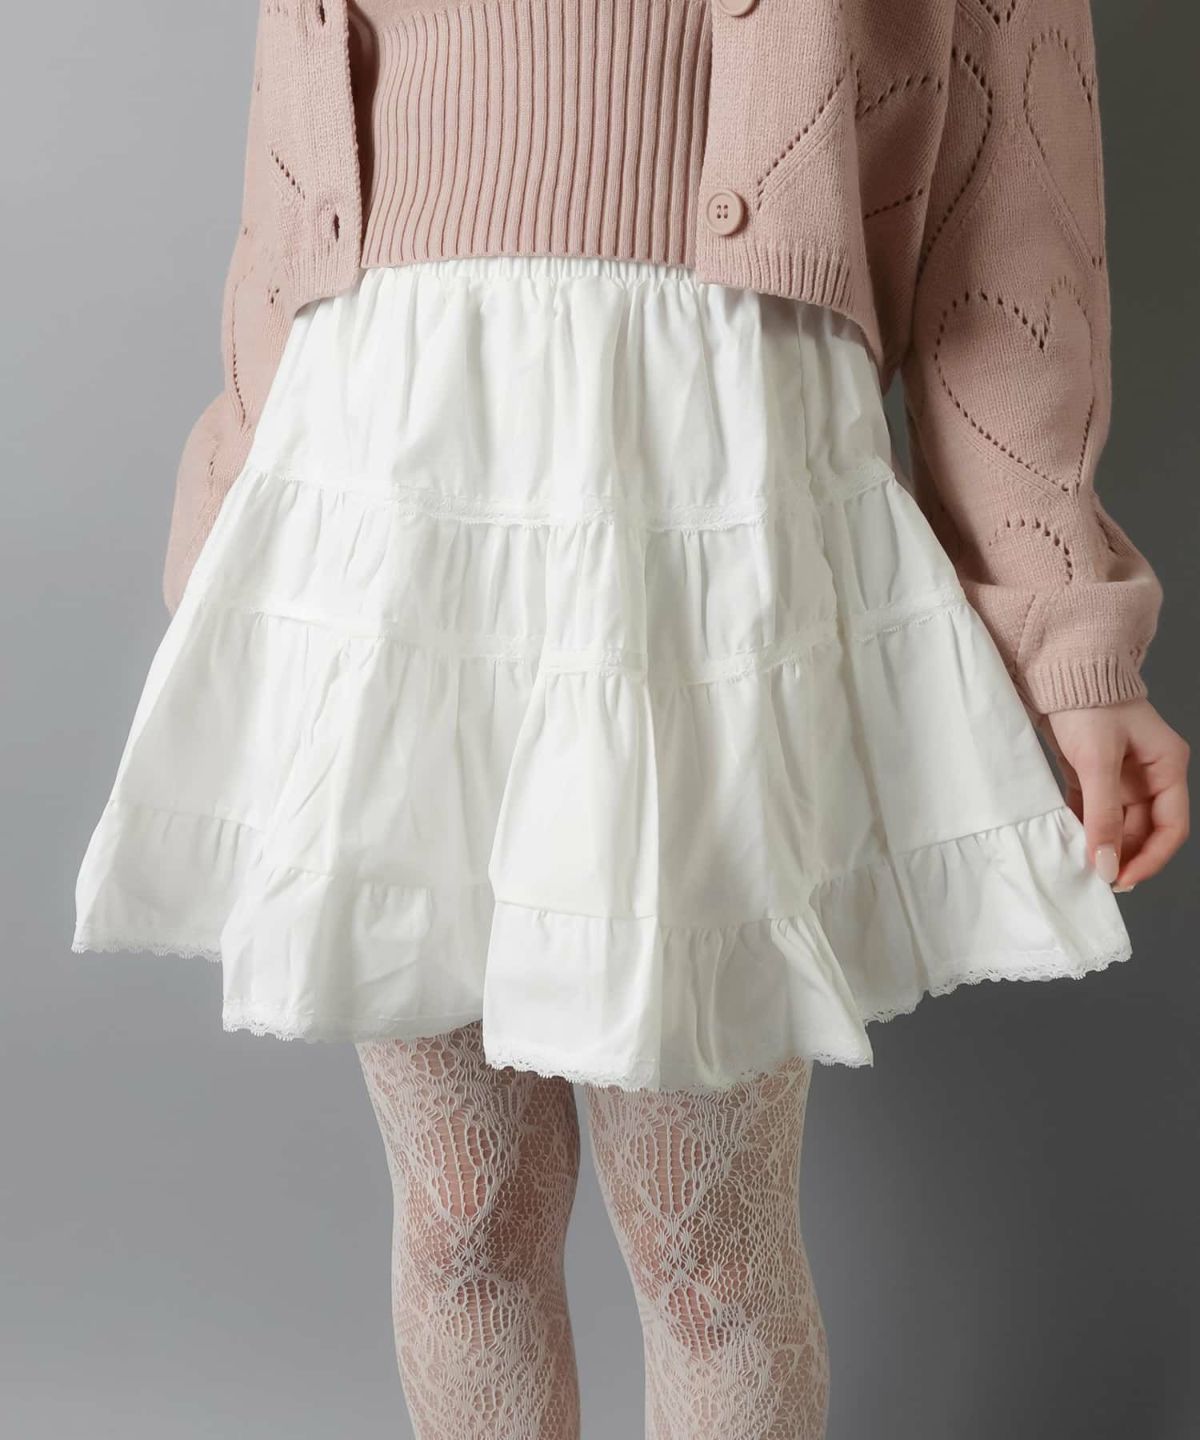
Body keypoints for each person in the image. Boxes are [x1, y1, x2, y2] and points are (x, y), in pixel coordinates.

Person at [71, 2, 1189, 1435]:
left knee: (706, 1254)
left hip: (712, 465)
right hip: (391, 472)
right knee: (463, 1216)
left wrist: (1074, 639)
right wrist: (240, 550)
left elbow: (1008, 212)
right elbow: (292, 184)